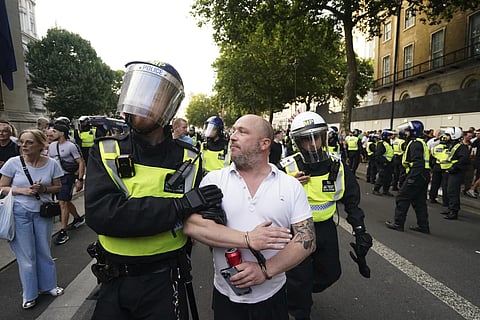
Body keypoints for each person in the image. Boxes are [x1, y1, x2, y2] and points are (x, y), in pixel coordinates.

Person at [84, 60, 224, 320]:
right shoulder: (105, 151)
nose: (141, 103)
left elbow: (202, 213)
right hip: (114, 281)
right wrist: (179, 207)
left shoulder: (190, 158)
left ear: (168, 108)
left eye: (153, 97)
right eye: (138, 92)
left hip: (166, 278)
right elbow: (102, 214)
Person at [183, 114, 315, 320]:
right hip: (226, 297)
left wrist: (265, 270)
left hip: (273, 297)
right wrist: (247, 238)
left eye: (242, 132)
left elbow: (306, 239)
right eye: (233, 130)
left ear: (265, 144)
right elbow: (192, 226)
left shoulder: (290, 186)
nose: (233, 136)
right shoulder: (213, 180)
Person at [279, 112, 372, 320]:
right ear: (297, 142)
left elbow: (351, 199)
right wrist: (288, 184)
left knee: (331, 273)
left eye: (316, 137)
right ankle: (299, 308)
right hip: (296, 230)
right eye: (306, 139)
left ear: (323, 137)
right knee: (300, 280)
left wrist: (360, 231)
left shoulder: (337, 165)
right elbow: (269, 197)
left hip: (326, 228)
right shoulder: (285, 168)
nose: (312, 144)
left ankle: (292, 291)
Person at [0, 129, 64, 309]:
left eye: (29, 142)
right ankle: (29, 293)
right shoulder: (13, 163)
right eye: (22, 142)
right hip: (19, 212)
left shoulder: (52, 164)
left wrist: (43, 189)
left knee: (44, 250)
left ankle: (49, 286)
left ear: (41, 144)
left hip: (42, 212)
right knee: (26, 255)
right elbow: (2, 187)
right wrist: (23, 191)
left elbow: (58, 187)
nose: (24, 146)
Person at [386, 120, 431, 234]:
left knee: (402, 197)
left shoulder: (415, 143)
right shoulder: (419, 142)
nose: (405, 133)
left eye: (407, 131)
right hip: (422, 175)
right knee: (419, 201)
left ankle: (398, 223)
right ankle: (423, 226)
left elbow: (418, 163)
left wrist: (411, 178)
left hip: (416, 174)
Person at [48, 122, 86, 244]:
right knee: (65, 201)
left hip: (67, 177)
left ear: (62, 133)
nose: (51, 133)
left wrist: (79, 180)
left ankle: (63, 231)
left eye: (54, 131)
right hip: (55, 178)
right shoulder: (51, 146)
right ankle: (78, 218)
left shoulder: (71, 146)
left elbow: (81, 162)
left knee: (63, 202)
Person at [440, 127, 471, 220]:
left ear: (453, 136)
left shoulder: (461, 147)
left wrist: (455, 167)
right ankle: (450, 208)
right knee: (448, 190)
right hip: (450, 171)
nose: (446, 137)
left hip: (456, 172)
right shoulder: (452, 145)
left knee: (453, 191)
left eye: (448, 135)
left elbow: (464, 159)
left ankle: (454, 211)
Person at [372, 129, 395, 196]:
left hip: (389, 164)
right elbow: (378, 155)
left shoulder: (388, 143)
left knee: (389, 178)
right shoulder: (382, 144)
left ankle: (386, 190)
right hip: (383, 164)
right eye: (389, 136)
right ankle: (376, 189)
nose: (391, 137)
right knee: (382, 177)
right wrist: (384, 162)